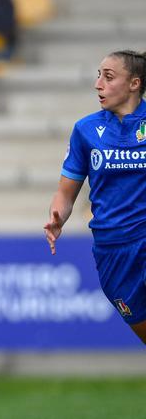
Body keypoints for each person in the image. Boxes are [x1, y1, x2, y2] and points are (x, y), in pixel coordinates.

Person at [45, 50, 146, 345]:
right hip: (112, 251)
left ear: (134, 83)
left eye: (108, 77)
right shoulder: (85, 130)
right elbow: (65, 193)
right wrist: (57, 217)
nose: (98, 84)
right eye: (98, 75)